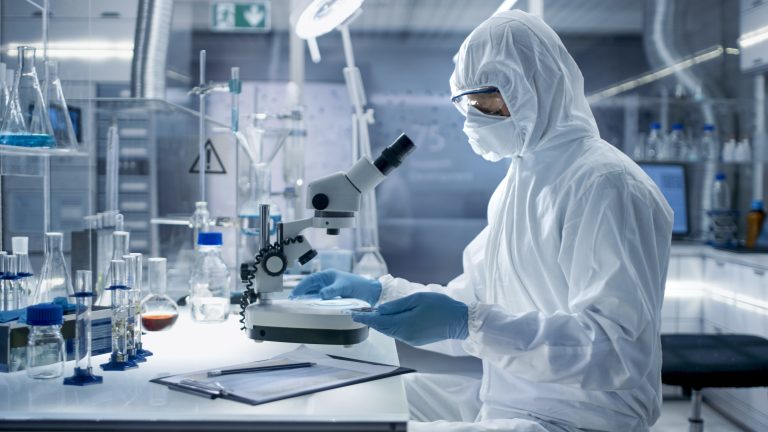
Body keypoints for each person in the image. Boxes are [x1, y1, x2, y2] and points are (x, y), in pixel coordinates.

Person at [293, 10, 673, 432]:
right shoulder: (518, 182)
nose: (474, 115)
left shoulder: (605, 184)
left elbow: (615, 352)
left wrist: (467, 322)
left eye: (487, 99)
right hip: (509, 397)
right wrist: (379, 294)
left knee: (363, 429)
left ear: (538, 86)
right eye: (467, 102)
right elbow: (472, 302)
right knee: (353, 400)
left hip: (577, 419)